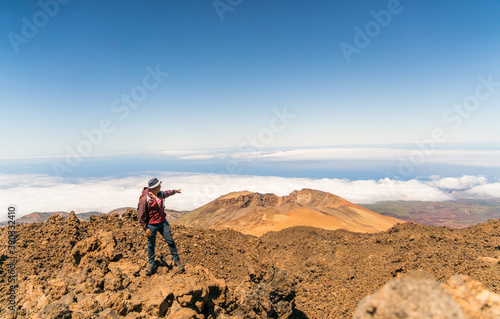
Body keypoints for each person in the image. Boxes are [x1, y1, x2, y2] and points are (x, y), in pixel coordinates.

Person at [137, 177, 184, 275]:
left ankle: (176, 260)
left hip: (163, 223)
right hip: (151, 226)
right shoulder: (145, 199)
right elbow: (141, 215)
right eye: (159, 185)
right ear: (154, 187)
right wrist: (145, 228)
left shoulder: (160, 194)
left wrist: (175, 191)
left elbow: (167, 193)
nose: (160, 186)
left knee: (170, 241)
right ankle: (151, 264)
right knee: (151, 244)